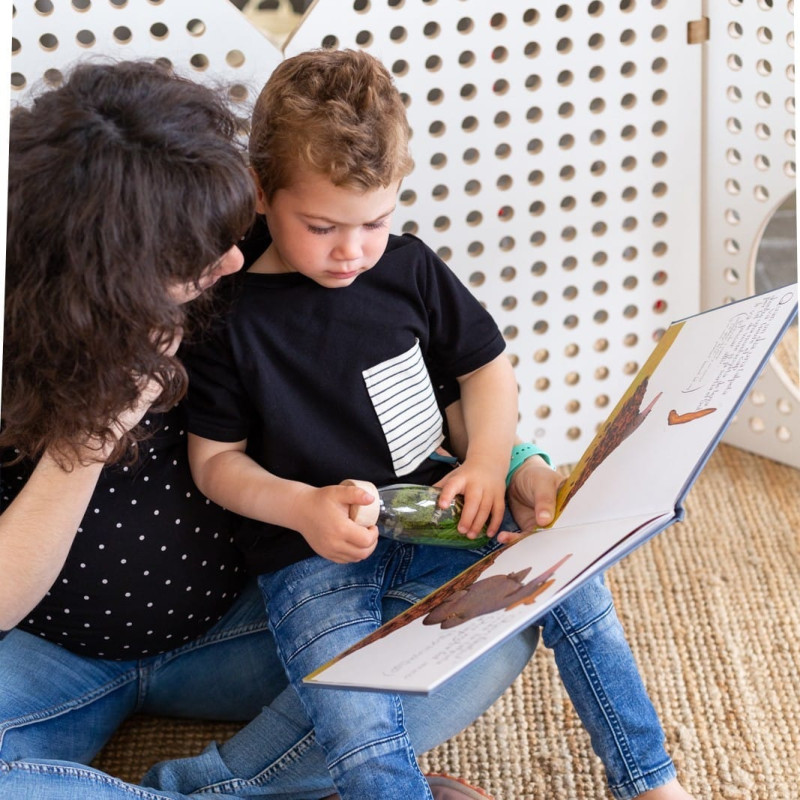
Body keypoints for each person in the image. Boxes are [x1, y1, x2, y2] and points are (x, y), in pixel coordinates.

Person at [0, 58, 548, 800]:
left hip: (247, 615)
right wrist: (93, 432)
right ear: (111, 272)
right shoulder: (23, 337)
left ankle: (233, 786)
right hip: (49, 654)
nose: (232, 256)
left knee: (488, 623)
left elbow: (413, 379)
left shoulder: (257, 256)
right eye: (198, 251)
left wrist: (512, 461)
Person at [180, 49, 696, 800]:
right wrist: (303, 507)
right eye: (321, 226)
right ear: (261, 191)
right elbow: (214, 461)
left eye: (376, 221)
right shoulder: (229, 315)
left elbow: (487, 369)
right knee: (355, 716)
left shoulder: (408, 267)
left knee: (572, 580)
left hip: (435, 507)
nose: (352, 251)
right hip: (309, 552)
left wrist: (487, 463)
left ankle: (650, 781)